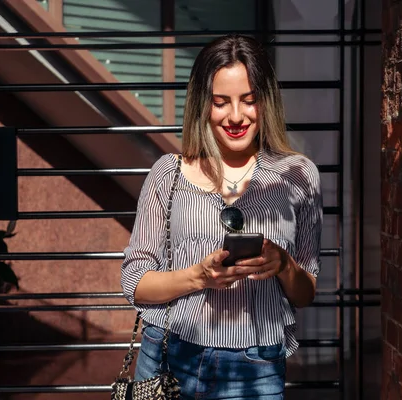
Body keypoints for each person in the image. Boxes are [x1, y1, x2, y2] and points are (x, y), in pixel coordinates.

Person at [120, 34, 323, 400]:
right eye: (220, 102)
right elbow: (134, 282)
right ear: (203, 105)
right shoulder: (168, 174)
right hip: (170, 357)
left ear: (266, 102)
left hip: (256, 366)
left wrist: (283, 264)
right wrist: (197, 277)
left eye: (249, 100)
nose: (235, 116)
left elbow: (306, 290)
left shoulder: (298, 176)